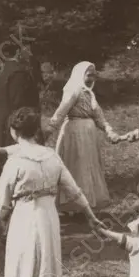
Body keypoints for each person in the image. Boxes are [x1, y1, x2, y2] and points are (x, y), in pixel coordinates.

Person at [0, 107, 100, 277]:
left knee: (22, 272)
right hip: (48, 219)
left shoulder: (15, 161)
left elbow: (3, 202)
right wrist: (91, 218)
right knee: (46, 272)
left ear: (14, 132)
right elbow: (74, 191)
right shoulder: (51, 157)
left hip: (25, 219)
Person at [47, 61, 119, 216]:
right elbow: (61, 111)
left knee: (88, 167)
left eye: (94, 75)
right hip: (74, 134)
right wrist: (49, 129)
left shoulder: (89, 94)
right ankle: (72, 204)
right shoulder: (73, 91)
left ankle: (84, 205)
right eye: (89, 74)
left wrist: (109, 131)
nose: (92, 78)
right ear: (80, 75)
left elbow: (99, 117)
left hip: (89, 136)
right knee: (76, 167)